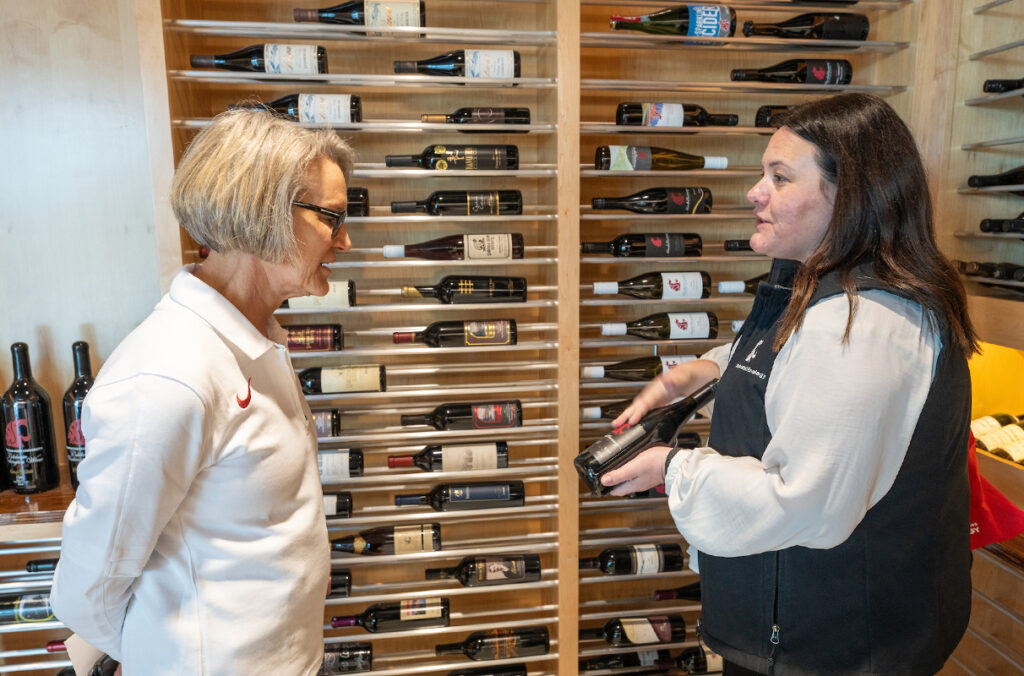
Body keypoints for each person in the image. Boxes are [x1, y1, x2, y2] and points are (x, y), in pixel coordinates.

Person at [601, 93, 977, 675]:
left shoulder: (860, 324)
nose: (755, 192)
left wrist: (670, 469)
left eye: (779, 178)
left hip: (835, 648)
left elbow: (805, 501)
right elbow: (797, 369)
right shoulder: (834, 285)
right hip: (817, 635)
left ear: (849, 196)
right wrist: (708, 371)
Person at [50, 107, 355, 675]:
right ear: (262, 211)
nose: (345, 240)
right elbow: (88, 587)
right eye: (331, 218)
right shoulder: (167, 374)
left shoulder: (255, 338)